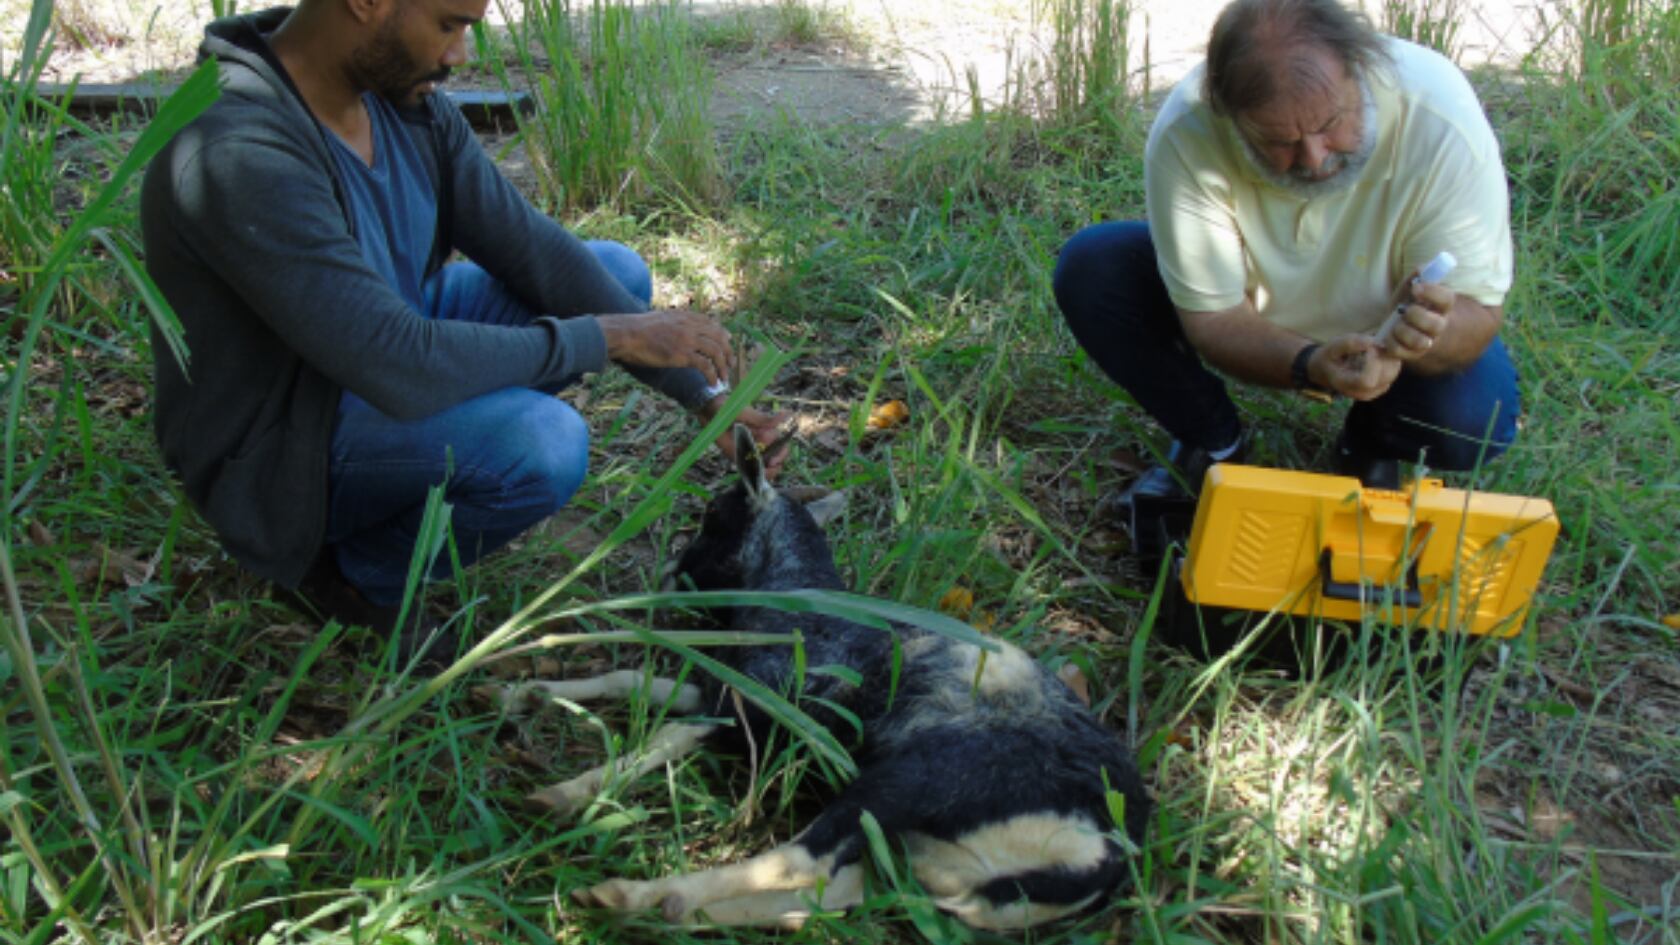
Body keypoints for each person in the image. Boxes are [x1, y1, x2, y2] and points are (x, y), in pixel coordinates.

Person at [140, 0, 786, 663]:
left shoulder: (395, 97)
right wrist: (608, 336)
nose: (460, 56)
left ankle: (395, 514)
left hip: (381, 338)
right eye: (449, 24)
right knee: (545, 443)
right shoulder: (239, 150)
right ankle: (352, 577)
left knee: (613, 272)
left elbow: (530, 249)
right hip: (286, 439)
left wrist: (708, 398)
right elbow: (395, 360)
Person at [1053, 0, 1519, 538]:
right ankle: (1216, 441)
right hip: (1256, 309)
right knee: (1095, 269)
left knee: (1475, 418)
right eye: (1279, 141)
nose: (1316, 158)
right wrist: (1312, 363)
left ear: (1360, 67)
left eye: (1330, 124)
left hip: (1388, 328)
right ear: (1228, 115)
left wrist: (1430, 335)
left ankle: (1368, 445)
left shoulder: (1438, 114)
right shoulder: (1188, 130)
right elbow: (1215, 319)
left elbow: (1477, 311)